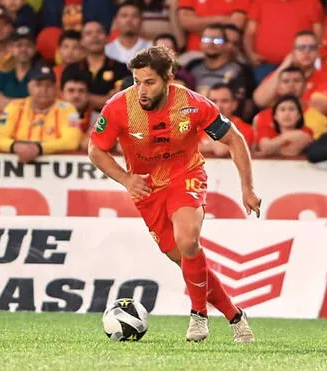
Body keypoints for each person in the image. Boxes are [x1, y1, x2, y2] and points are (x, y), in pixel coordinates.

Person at [87, 46, 259, 343]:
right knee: (186, 258)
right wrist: (126, 179)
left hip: (186, 177)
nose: (141, 89)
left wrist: (247, 188)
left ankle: (198, 316)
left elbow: (235, 139)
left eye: (149, 82)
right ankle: (235, 316)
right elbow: (95, 150)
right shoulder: (119, 107)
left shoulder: (193, 105)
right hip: (146, 189)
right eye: (136, 81)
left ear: (168, 78)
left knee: (187, 238)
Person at [0, 65, 82, 162]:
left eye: (48, 85)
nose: (43, 90)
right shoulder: (14, 107)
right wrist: (14, 146)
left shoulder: (67, 109)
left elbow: (72, 140)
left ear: (55, 88)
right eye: (38, 85)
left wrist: (39, 148)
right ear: (29, 87)